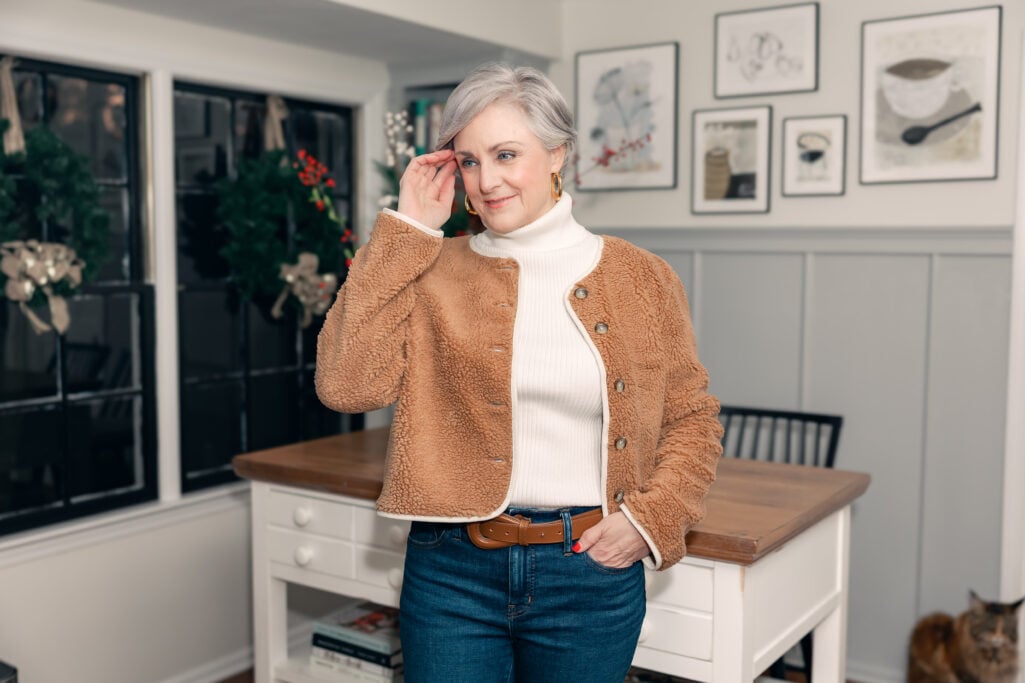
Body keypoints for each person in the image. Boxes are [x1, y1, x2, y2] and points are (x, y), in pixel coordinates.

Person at [316, 62, 723, 683]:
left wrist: (651, 520)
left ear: (557, 152)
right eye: (469, 160)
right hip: (449, 568)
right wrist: (406, 231)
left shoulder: (643, 277)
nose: (486, 181)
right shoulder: (427, 266)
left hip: (590, 572)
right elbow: (348, 385)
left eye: (507, 154)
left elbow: (691, 418)